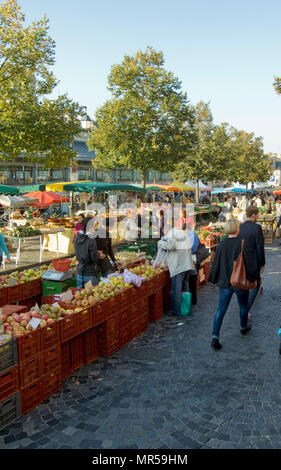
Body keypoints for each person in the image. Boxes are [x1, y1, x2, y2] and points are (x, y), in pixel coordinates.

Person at [209, 218, 251, 350]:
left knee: (221, 309)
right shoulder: (243, 243)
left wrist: (213, 278)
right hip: (239, 281)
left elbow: (216, 263)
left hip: (225, 281)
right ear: (237, 229)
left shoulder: (221, 244)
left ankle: (215, 336)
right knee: (243, 306)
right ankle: (243, 327)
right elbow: (249, 263)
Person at [158, 224, 194, 317]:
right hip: (187, 265)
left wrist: (160, 243)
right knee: (185, 287)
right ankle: (186, 308)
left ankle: (176, 312)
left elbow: (171, 246)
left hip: (178, 266)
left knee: (176, 290)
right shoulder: (182, 233)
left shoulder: (171, 234)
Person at [238, 205, 265, 315]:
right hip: (253, 261)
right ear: (253, 214)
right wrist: (262, 263)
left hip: (241, 261)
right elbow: (260, 247)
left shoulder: (240, 226)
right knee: (256, 284)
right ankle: (245, 309)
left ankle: (244, 308)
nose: (258, 216)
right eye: (257, 214)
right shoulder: (256, 228)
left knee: (243, 285)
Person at [74, 216, 102, 288]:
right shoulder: (91, 239)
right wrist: (98, 255)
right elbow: (94, 258)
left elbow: (78, 251)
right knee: (92, 294)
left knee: (81, 295)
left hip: (80, 272)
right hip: (90, 273)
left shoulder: (77, 237)